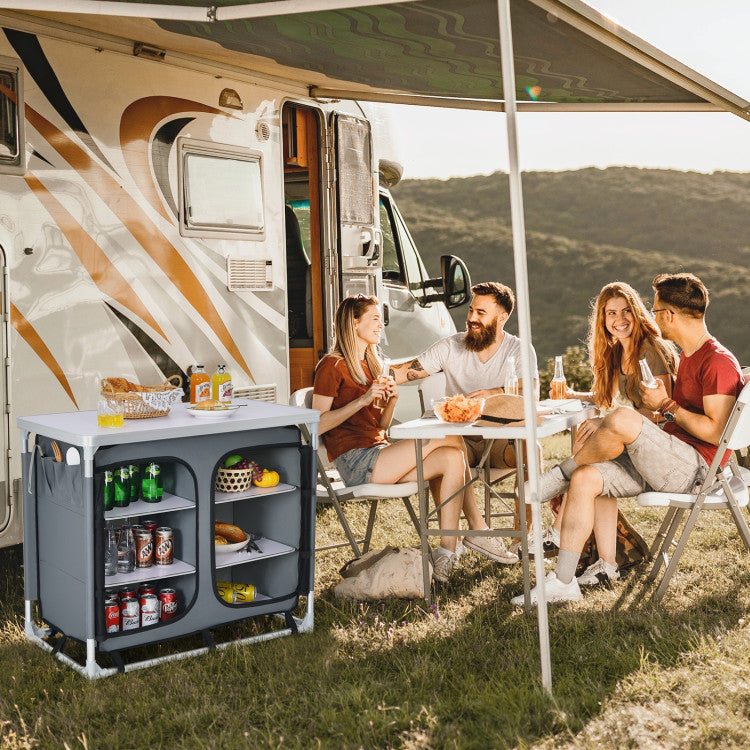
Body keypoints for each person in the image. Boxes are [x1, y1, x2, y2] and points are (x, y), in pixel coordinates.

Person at [512, 272, 744, 605]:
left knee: (621, 417)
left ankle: (556, 476)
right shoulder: (692, 355)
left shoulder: (717, 361)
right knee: (587, 476)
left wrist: (665, 405)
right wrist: (665, 410)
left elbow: (715, 432)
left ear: (669, 316)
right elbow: (672, 417)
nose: (652, 315)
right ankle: (564, 581)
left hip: (696, 472)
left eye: (656, 309)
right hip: (671, 454)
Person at [312, 294, 512, 583]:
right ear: (353, 323)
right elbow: (316, 424)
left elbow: (379, 424)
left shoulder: (370, 364)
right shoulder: (331, 366)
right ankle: (478, 531)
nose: (381, 325)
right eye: (375, 319)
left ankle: (446, 553)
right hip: (357, 463)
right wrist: (363, 399)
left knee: (453, 457)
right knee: (450, 436)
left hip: (380, 452)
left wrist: (391, 400)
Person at [391, 281, 539, 561]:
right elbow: (404, 373)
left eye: (481, 313)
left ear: (502, 317)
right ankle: (462, 539)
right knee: (445, 442)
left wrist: (493, 394)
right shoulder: (451, 346)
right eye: (471, 310)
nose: (472, 318)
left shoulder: (518, 350)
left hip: (497, 442)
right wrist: (361, 367)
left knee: (533, 450)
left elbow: (529, 392)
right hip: (461, 442)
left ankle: (524, 539)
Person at [530, 281, 678, 557]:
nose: (619, 320)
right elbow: (602, 398)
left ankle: (558, 526)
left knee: (590, 446)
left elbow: (663, 410)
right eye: (611, 313)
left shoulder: (650, 349)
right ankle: (597, 552)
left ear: (636, 312)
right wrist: (571, 394)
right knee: (587, 447)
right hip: (639, 435)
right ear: (603, 318)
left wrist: (608, 424)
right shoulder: (618, 351)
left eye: (625, 312)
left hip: (663, 443)